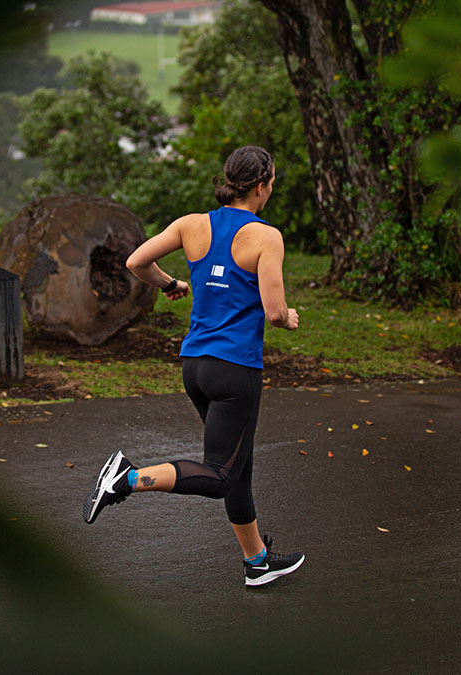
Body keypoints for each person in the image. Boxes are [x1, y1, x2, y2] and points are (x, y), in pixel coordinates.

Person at [81, 145, 305, 588]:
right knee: (221, 474)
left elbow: (136, 262)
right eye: (272, 183)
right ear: (261, 186)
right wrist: (289, 318)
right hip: (235, 371)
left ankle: (256, 561)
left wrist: (173, 283)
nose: (271, 190)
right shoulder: (266, 236)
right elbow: (275, 312)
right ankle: (126, 479)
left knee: (238, 466)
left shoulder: (191, 224)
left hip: (195, 366)